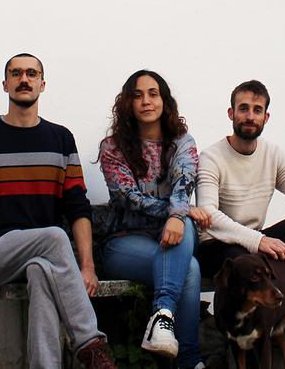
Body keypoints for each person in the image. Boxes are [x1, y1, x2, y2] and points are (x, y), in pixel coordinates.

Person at [0, 53, 116, 369]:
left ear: (43, 83)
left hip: (45, 257)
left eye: (31, 73)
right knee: (55, 237)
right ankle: (91, 345)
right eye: (16, 73)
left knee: (41, 271)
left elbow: (77, 207)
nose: (23, 79)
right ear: (5, 84)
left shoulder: (61, 138)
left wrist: (87, 266)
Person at [196, 79, 285, 343]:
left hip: (254, 240)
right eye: (243, 108)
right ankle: (269, 325)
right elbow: (208, 214)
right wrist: (258, 241)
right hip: (217, 246)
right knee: (245, 259)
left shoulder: (273, 154)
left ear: (266, 117)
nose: (250, 116)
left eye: (257, 110)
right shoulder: (211, 157)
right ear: (231, 113)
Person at [98, 70, 210, 369]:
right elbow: (129, 198)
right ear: (128, 104)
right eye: (137, 95)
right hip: (123, 243)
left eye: (153, 93)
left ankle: (162, 320)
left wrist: (179, 213)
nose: (146, 101)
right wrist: (177, 212)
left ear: (164, 100)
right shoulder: (112, 148)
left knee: (183, 234)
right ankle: (189, 360)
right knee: (190, 267)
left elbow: (184, 182)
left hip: (174, 239)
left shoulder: (182, 142)